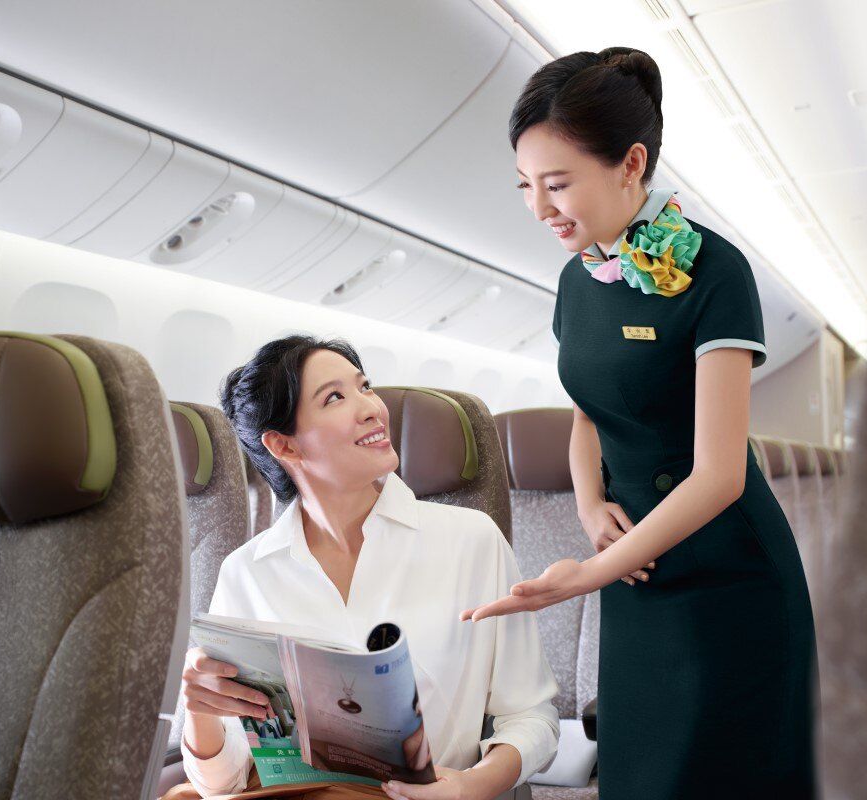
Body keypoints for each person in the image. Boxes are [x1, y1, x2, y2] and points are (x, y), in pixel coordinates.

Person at [461, 47, 817, 799]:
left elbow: (719, 475)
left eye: (558, 184)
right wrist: (591, 508)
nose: (539, 208)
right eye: (525, 185)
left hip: (727, 576)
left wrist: (586, 576)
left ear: (631, 163)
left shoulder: (716, 272)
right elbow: (589, 413)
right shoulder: (575, 279)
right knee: (641, 774)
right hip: (636, 574)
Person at [165, 335, 560, 800]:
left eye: (364, 386)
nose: (372, 407)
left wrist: (473, 786)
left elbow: (532, 716)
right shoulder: (247, 571)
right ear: (283, 445)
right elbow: (223, 784)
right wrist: (201, 712)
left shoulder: (470, 540)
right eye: (334, 397)